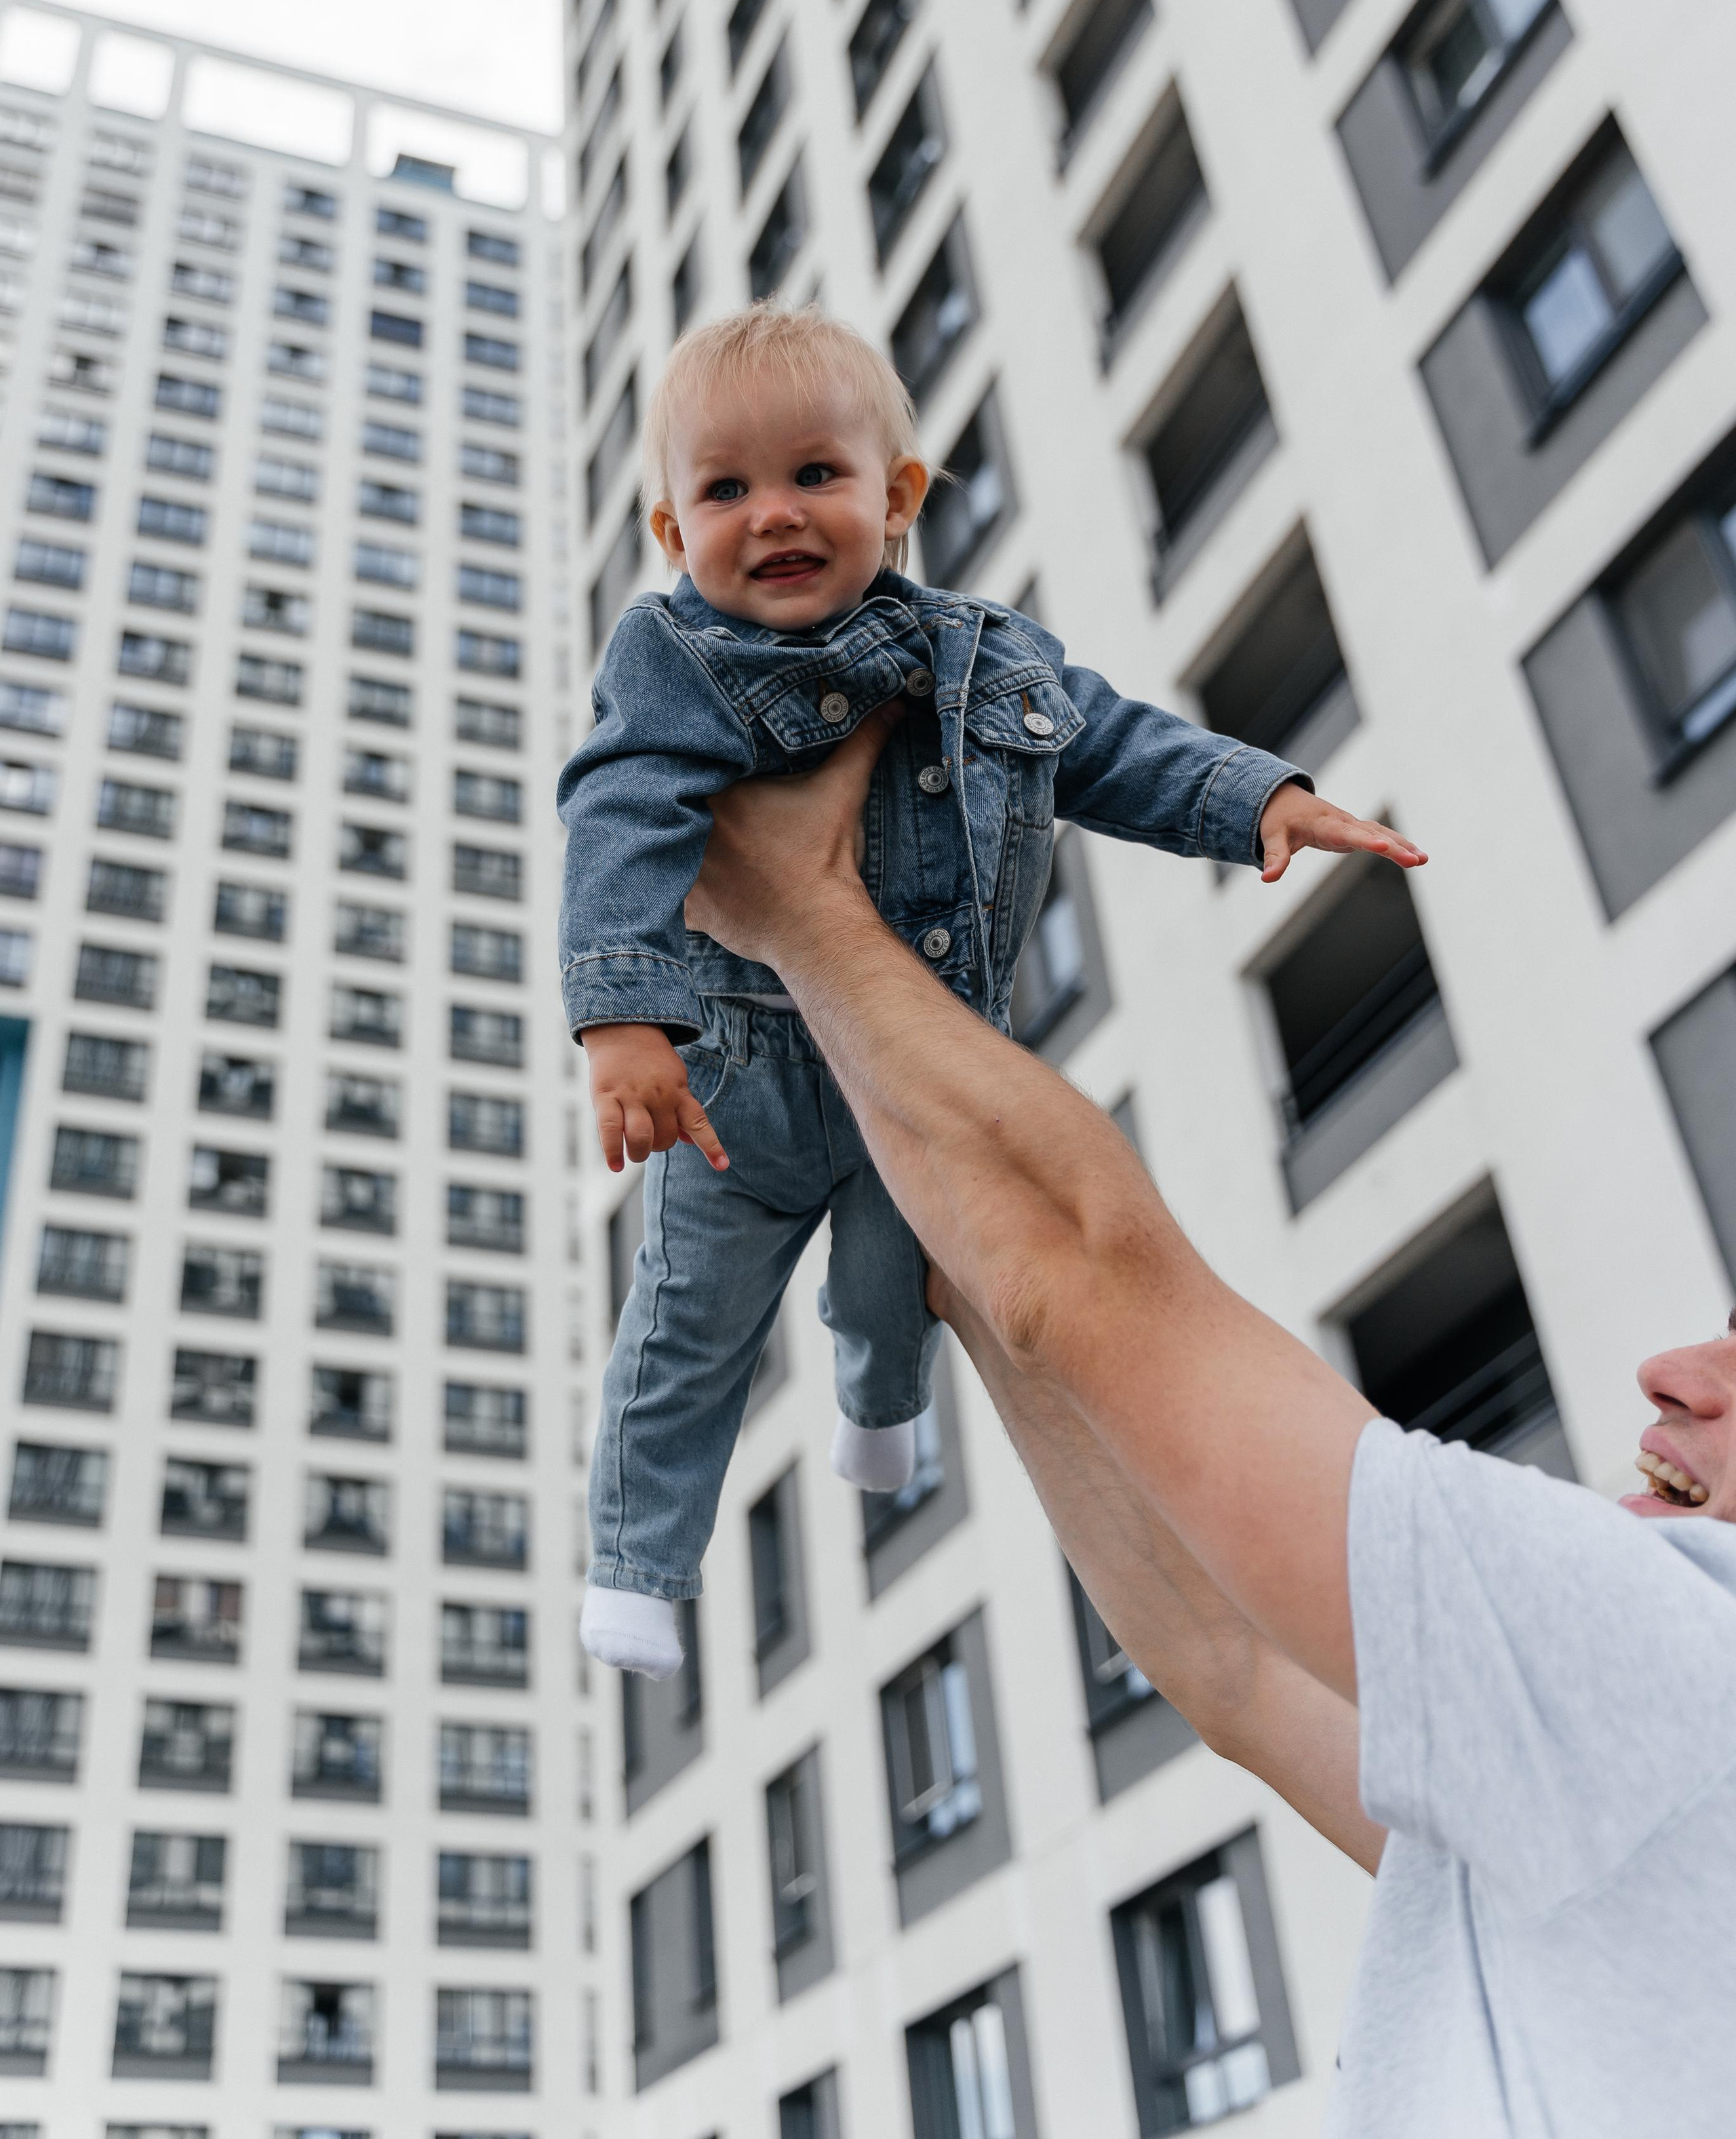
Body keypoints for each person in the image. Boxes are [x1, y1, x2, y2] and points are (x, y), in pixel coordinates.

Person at [682, 711, 1736, 2139]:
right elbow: (1223, 1659)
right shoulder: (1623, 1784)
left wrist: (803, 916)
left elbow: (1093, 1273)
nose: (1669, 1371)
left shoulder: (1683, 1664)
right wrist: (940, 1224)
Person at [557, 302, 1422, 1677]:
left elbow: (1115, 747)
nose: (772, 515)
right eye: (724, 491)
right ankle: (636, 1568)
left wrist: (1260, 794)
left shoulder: (986, 658)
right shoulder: (673, 660)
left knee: (901, 1277)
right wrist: (620, 1020)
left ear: (892, 498)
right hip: (738, 1086)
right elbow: (620, 817)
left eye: (813, 476)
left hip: (918, 1065)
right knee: (684, 1329)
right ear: (672, 538)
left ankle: (879, 1407)